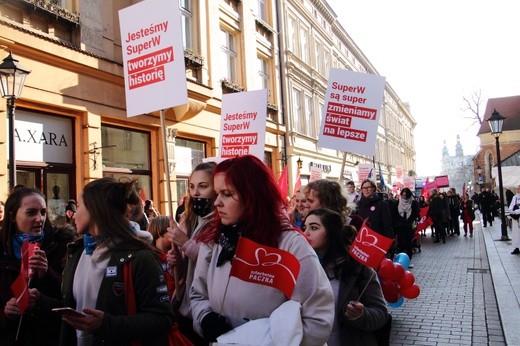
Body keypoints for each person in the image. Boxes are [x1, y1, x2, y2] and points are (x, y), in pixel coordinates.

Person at [190, 155, 334, 345]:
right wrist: (205, 319)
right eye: (217, 194)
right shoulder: (215, 239)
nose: (216, 202)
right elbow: (197, 295)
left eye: (226, 193)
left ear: (252, 196)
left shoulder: (290, 245)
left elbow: (318, 319)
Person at [33, 177, 174, 345]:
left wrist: (106, 325)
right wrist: (39, 301)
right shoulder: (77, 252)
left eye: (79, 206)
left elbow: (162, 319)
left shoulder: (140, 257)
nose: (74, 214)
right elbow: (72, 307)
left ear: (95, 210)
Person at [303, 208, 389, 345]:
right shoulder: (302, 267)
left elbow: (381, 314)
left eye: (314, 228)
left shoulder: (359, 268)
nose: (305, 233)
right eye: (304, 227)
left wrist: (360, 315)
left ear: (332, 232)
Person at [0, 187, 75, 345]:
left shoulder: (63, 247)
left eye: (43, 212)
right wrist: (5, 313)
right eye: (31, 212)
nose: (39, 219)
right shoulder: (3, 250)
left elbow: (72, 302)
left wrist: (47, 274)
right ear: (13, 216)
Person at [167, 161, 217, 344]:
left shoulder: (220, 223)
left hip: (207, 310)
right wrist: (176, 260)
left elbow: (214, 263)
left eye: (203, 186)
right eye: (192, 186)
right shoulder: (190, 219)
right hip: (186, 305)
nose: (195, 193)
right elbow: (189, 266)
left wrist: (185, 243)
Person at [392, 188, 419, 264]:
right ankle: (401, 259)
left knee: (408, 242)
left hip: (409, 226)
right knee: (401, 242)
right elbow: (394, 214)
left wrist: (409, 222)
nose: (404, 196)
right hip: (400, 226)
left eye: (405, 195)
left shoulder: (413, 203)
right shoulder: (397, 203)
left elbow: (415, 214)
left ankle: (409, 258)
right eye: (403, 194)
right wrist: (398, 222)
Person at [508, 185, 520, 255]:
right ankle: (517, 247)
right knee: (516, 234)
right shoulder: (514, 198)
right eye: (518, 189)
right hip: (516, 220)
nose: (518, 190)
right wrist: (515, 212)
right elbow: (510, 208)